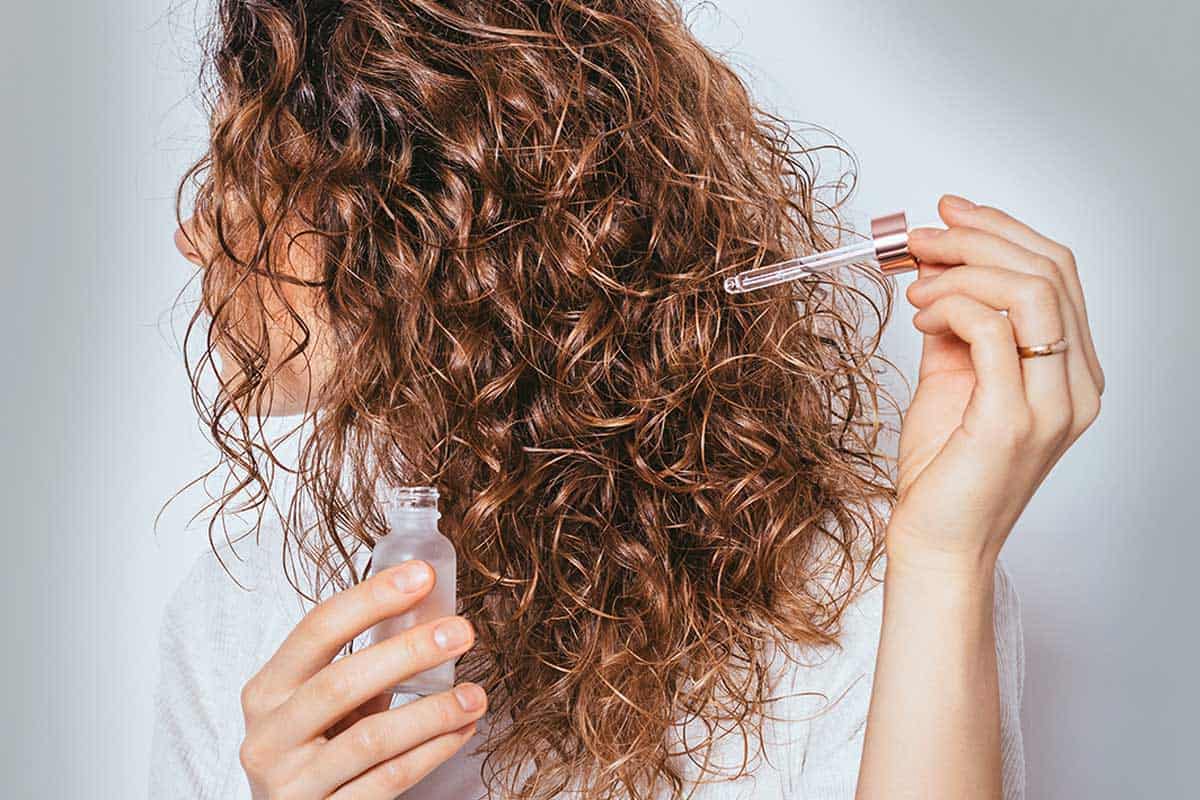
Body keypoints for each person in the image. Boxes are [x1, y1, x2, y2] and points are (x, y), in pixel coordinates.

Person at [150, 1, 1104, 798]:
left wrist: (942, 563)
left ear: (433, 233)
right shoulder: (250, 610)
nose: (197, 236)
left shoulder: (873, 589)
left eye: (254, 178)